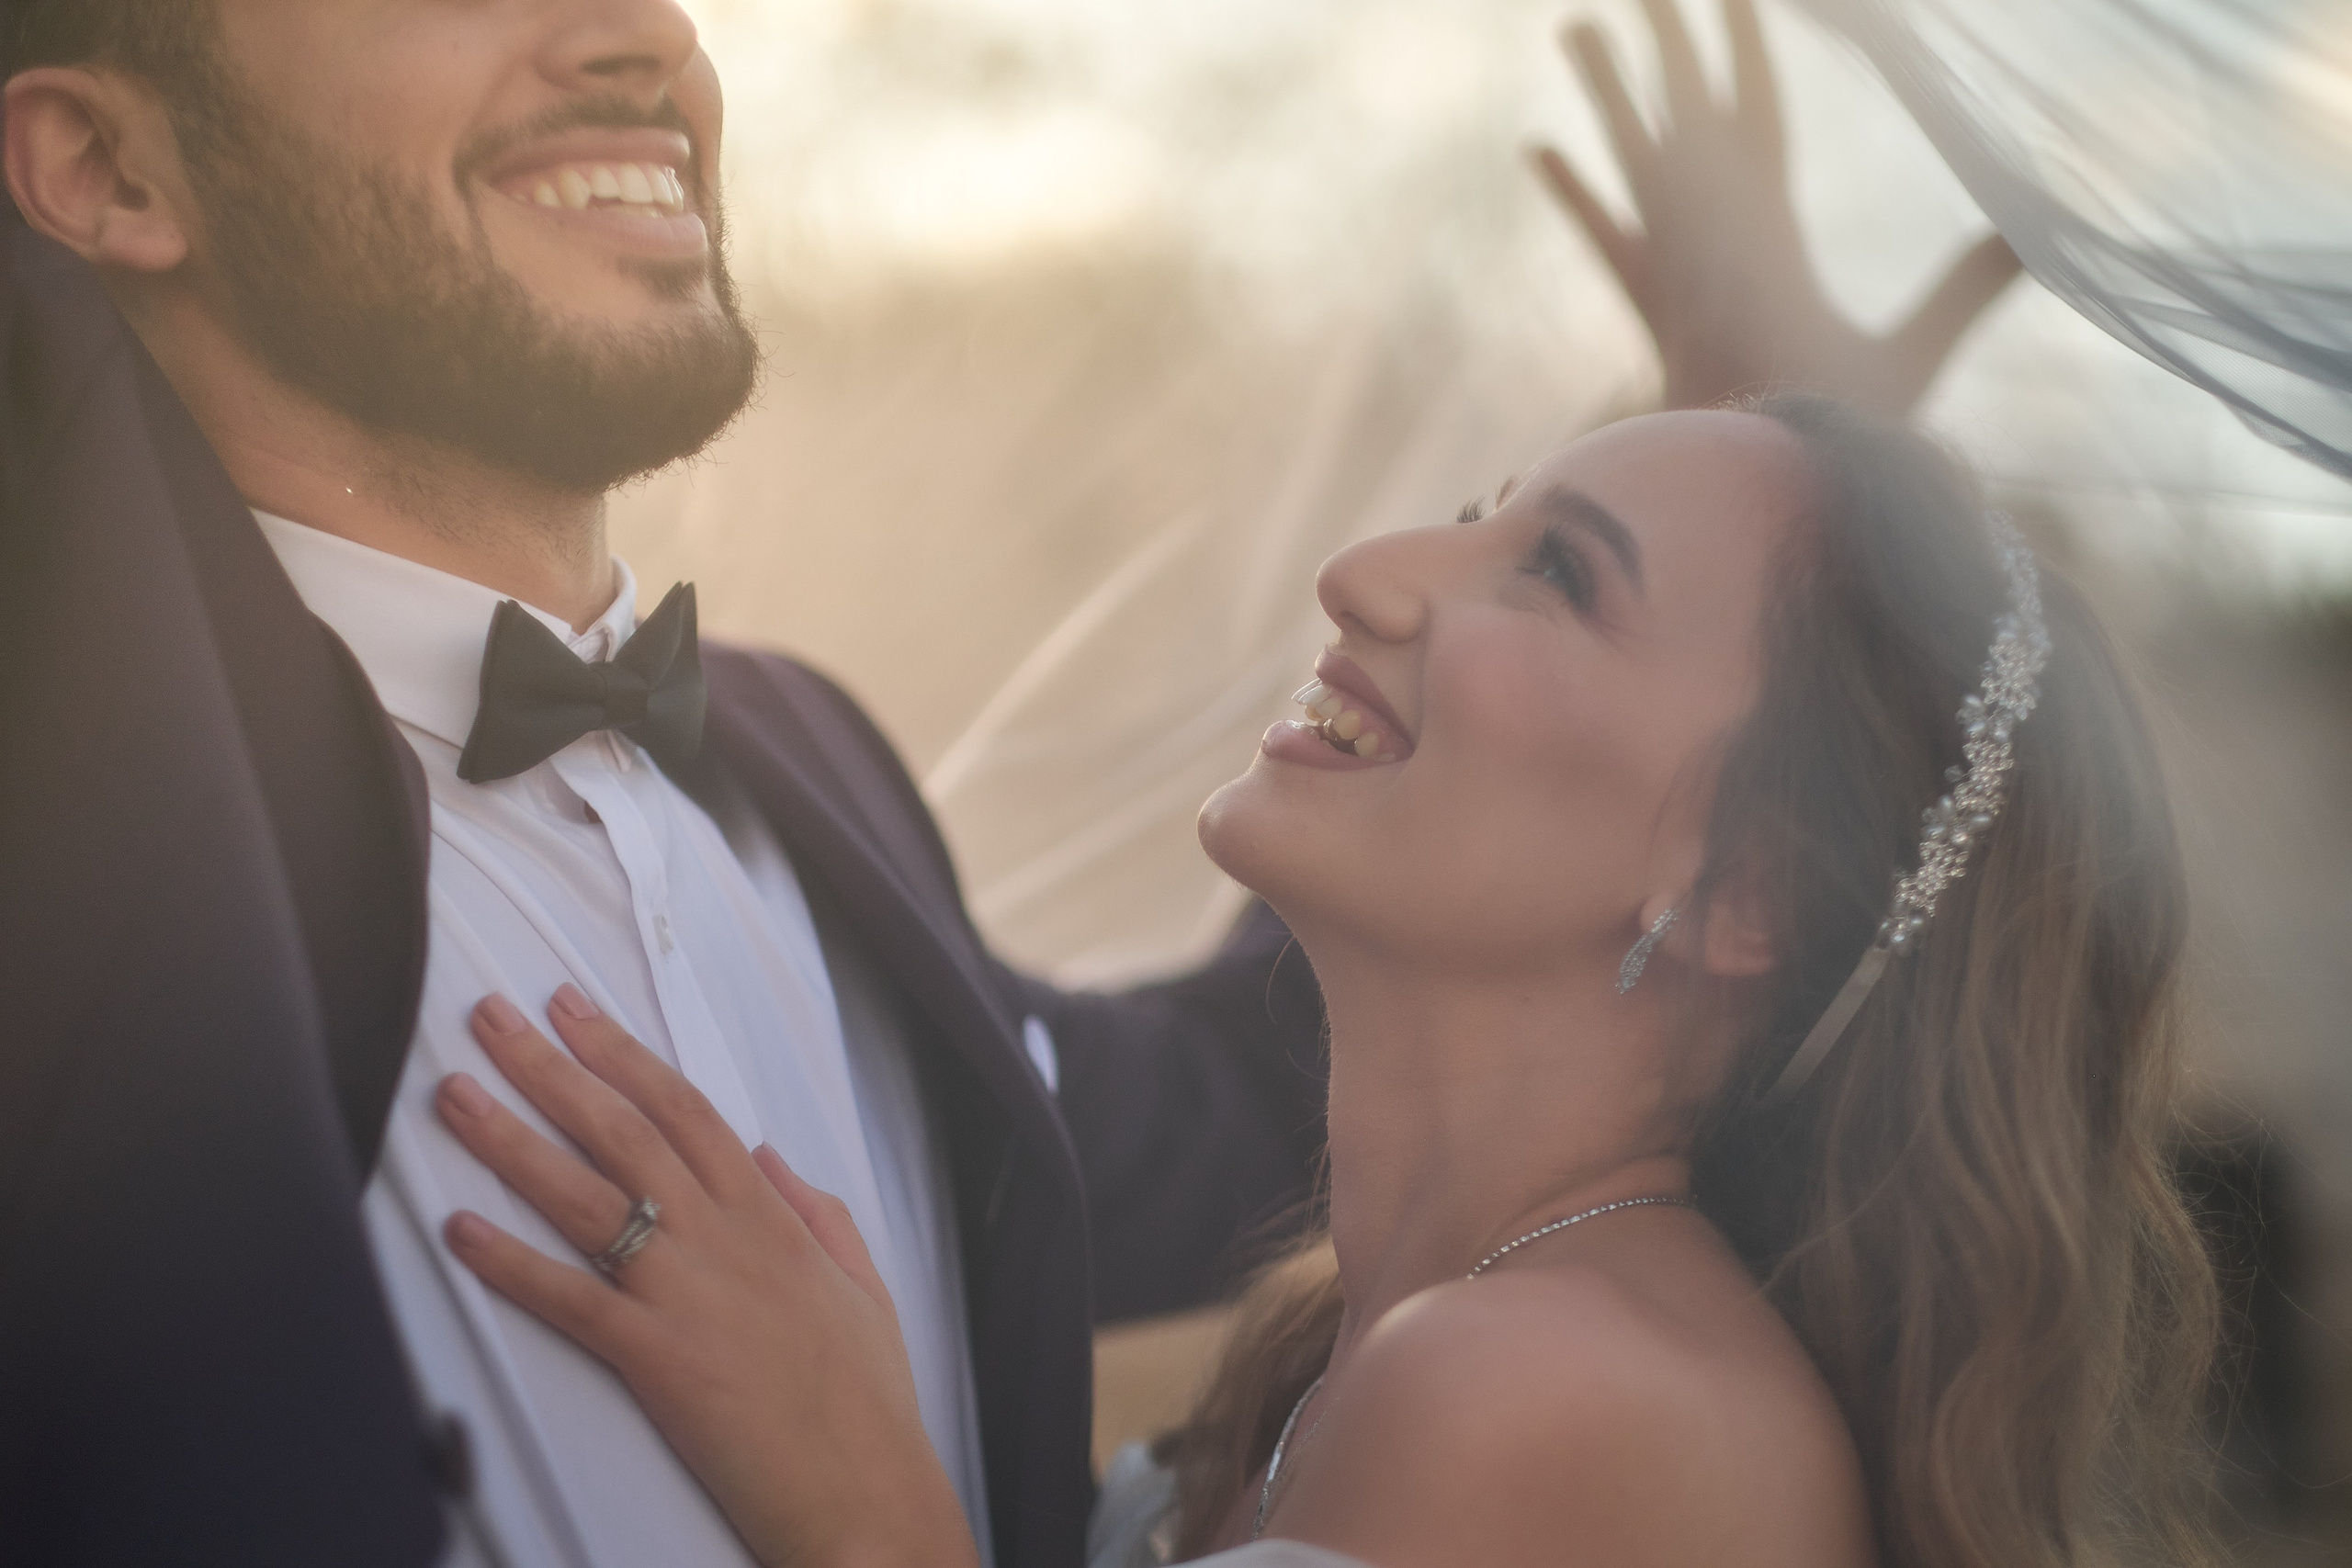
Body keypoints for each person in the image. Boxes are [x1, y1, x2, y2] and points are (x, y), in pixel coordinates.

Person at [0, 1, 2015, 1564]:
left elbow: (1283, 1095)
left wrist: (1777, 526)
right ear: (99, 167)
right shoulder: (82, 804)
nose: (640, 37)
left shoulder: (820, 778)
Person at [437, 392, 2222, 1568]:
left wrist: (855, 1487)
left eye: (1553, 572)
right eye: (1476, 508)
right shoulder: (1382, 1340)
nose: (1366, 572)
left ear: (1745, 882)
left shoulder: (1544, 1387)